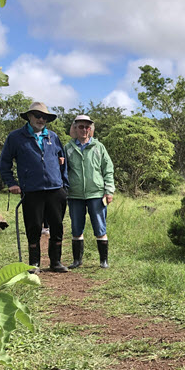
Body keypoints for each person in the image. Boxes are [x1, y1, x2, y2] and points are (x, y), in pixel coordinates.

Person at [0, 102, 69, 273]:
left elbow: (62, 160)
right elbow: (5, 162)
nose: (40, 119)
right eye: (37, 115)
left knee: (57, 226)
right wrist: (12, 183)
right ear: (29, 116)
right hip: (31, 189)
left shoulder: (53, 136)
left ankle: (56, 262)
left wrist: (64, 184)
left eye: (44, 116)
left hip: (55, 189)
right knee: (34, 227)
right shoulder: (15, 137)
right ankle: (34, 264)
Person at [65, 114, 115, 268]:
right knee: (76, 228)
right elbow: (63, 171)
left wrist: (109, 190)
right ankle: (77, 260)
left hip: (96, 193)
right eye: (81, 126)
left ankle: (103, 260)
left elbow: (108, 169)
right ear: (75, 128)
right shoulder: (68, 148)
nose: (84, 130)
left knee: (100, 227)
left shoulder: (99, 147)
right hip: (75, 194)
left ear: (91, 129)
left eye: (87, 127)